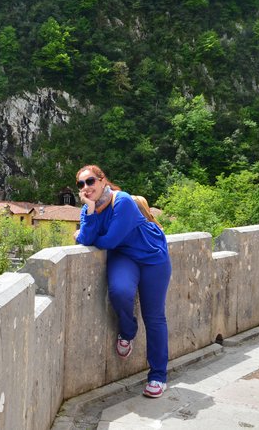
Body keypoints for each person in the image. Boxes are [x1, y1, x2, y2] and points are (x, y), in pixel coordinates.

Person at [73, 165, 171, 398]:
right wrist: (90, 209)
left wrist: (86, 231)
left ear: (102, 180)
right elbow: (86, 239)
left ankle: (158, 375)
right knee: (119, 292)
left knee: (154, 316)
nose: (86, 188)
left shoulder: (123, 201)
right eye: (81, 184)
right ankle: (127, 332)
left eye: (90, 181)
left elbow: (108, 241)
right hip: (124, 256)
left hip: (151, 256)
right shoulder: (89, 209)